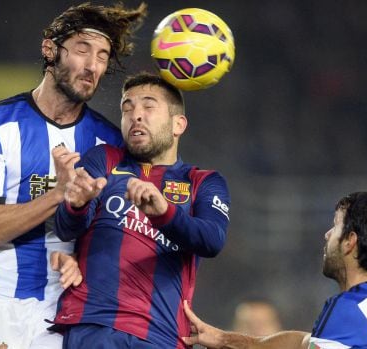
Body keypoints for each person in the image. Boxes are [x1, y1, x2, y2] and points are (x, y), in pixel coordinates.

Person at [0, 3, 147, 348]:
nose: (92, 66)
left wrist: (78, 258)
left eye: (103, 56)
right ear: (50, 48)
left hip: (69, 308)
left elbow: (107, 235)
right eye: (82, 49)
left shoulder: (109, 142)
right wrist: (60, 193)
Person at [49, 72, 231, 348]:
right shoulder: (104, 159)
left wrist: (163, 212)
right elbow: (66, 228)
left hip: (162, 335)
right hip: (95, 326)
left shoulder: (202, 181)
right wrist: (77, 203)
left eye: (148, 106)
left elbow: (211, 240)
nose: (136, 115)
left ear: (178, 124)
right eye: (127, 108)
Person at [183, 191, 367, 349]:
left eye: (335, 226)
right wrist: (224, 339)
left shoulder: (351, 311)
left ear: (350, 241)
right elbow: (302, 343)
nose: (327, 235)